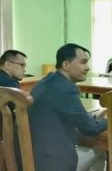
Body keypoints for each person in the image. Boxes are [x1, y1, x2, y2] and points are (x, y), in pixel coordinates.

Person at [28, 43, 107, 171]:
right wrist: (107, 121)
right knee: (100, 152)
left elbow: (64, 115)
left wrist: (90, 118)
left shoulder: (47, 81)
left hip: (31, 157)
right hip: (52, 163)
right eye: (83, 62)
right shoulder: (66, 89)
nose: (87, 67)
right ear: (66, 65)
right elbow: (90, 129)